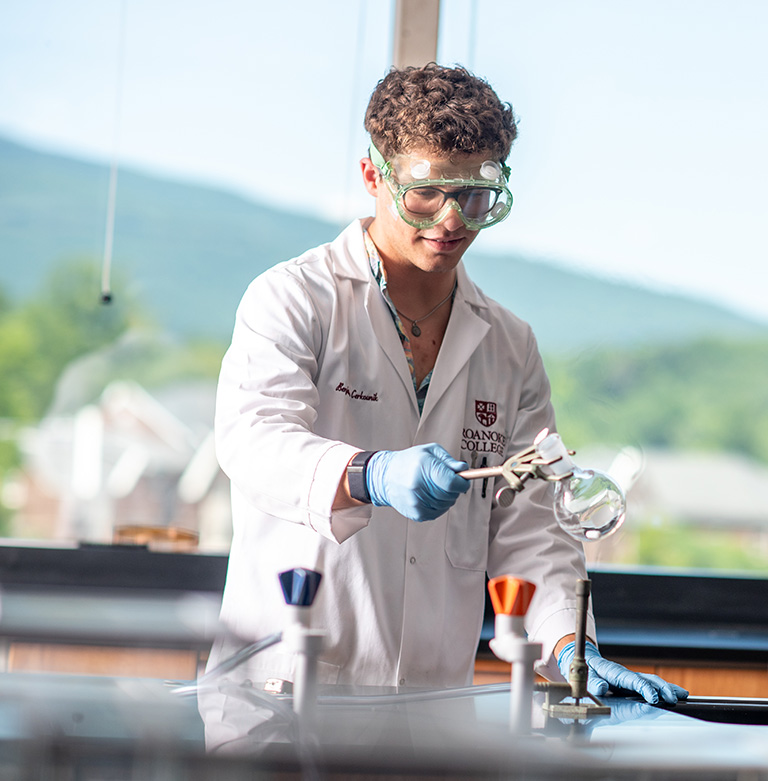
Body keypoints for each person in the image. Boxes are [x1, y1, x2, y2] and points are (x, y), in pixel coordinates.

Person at [207, 64, 686, 708]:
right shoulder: (295, 298)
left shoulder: (508, 344)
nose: (453, 219)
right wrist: (369, 475)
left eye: (477, 191)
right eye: (428, 192)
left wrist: (569, 646)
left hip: (431, 704)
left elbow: (532, 524)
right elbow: (253, 443)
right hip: (284, 690)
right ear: (374, 175)